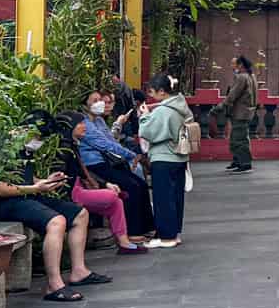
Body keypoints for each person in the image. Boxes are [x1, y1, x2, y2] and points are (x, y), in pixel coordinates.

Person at [0, 142, 106, 301]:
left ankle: (79, 272)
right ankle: (54, 285)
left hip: (28, 196)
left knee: (80, 214)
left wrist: (46, 181)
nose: (39, 141)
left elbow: (25, 177)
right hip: (5, 203)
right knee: (57, 222)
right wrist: (35, 188)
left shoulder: (25, 150)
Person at [77, 91, 154, 241]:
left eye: (100, 100)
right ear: (85, 104)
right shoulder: (84, 124)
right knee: (131, 186)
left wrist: (129, 154)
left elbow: (111, 141)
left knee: (141, 184)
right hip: (94, 165)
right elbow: (104, 144)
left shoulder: (99, 121)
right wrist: (132, 155)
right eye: (95, 100)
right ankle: (132, 231)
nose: (100, 103)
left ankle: (147, 227)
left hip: (109, 161)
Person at [65, 118, 139, 254]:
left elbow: (85, 173)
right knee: (113, 195)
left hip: (82, 186)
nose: (84, 127)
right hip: (71, 191)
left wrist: (105, 184)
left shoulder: (74, 145)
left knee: (116, 202)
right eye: (80, 123)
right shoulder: (65, 149)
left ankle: (124, 243)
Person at [137, 73, 192, 250]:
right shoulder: (181, 107)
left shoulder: (164, 111)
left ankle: (166, 237)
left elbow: (148, 132)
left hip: (164, 157)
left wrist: (144, 117)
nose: (151, 96)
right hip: (179, 157)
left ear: (162, 91)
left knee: (163, 198)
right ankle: (174, 233)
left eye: (152, 92)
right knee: (176, 197)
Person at [222, 55, 258, 173]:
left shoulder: (242, 77)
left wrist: (222, 105)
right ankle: (238, 161)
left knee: (239, 139)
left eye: (234, 64)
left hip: (240, 113)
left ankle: (245, 164)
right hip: (247, 112)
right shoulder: (251, 76)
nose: (232, 66)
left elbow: (233, 94)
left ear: (240, 65)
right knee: (238, 137)